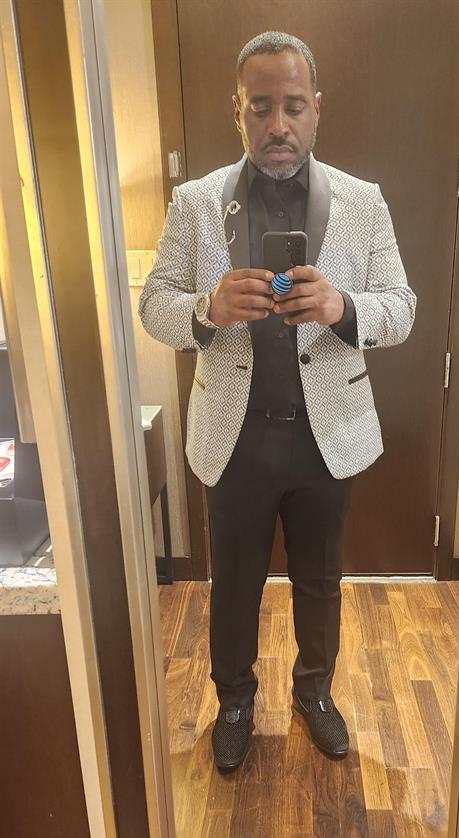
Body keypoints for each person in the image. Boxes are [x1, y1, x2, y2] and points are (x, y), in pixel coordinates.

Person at [139, 31, 416, 771]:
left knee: (321, 581)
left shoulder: (363, 202)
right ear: (238, 111)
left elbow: (402, 307)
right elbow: (154, 305)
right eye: (260, 107)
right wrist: (207, 309)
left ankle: (314, 693)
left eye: (293, 105)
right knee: (233, 584)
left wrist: (343, 307)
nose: (278, 124)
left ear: (316, 107)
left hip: (327, 435)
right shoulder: (196, 203)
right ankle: (233, 701)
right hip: (234, 437)